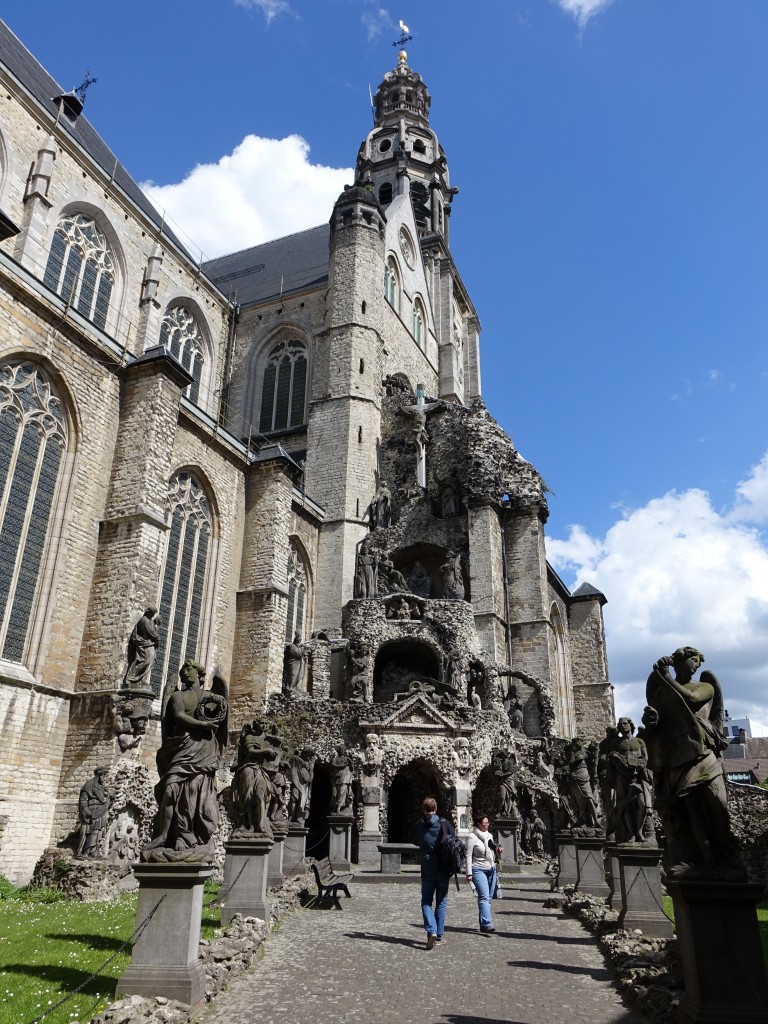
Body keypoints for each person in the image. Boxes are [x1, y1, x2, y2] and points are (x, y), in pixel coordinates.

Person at [412, 796, 452, 949]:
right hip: (443, 867)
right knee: (441, 901)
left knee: (426, 901)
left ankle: (431, 930)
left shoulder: (419, 825)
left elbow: (415, 841)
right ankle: (439, 936)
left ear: (424, 809)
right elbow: (453, 841)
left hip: (427, 866)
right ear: (436, 808)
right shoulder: (444, 823)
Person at [465, 812, 501, 933]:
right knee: (484, 897)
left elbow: (492, 850)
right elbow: (468, 855)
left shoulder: (489, 835)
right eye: (485, 823)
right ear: (478, 824)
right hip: (478, 869)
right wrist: (469, 873)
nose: (487, 825)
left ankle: (483, 924)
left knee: (489, 898)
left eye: (488, 822)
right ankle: (487, 924)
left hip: (491, 869)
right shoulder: (472, 837)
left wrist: (497, 850)